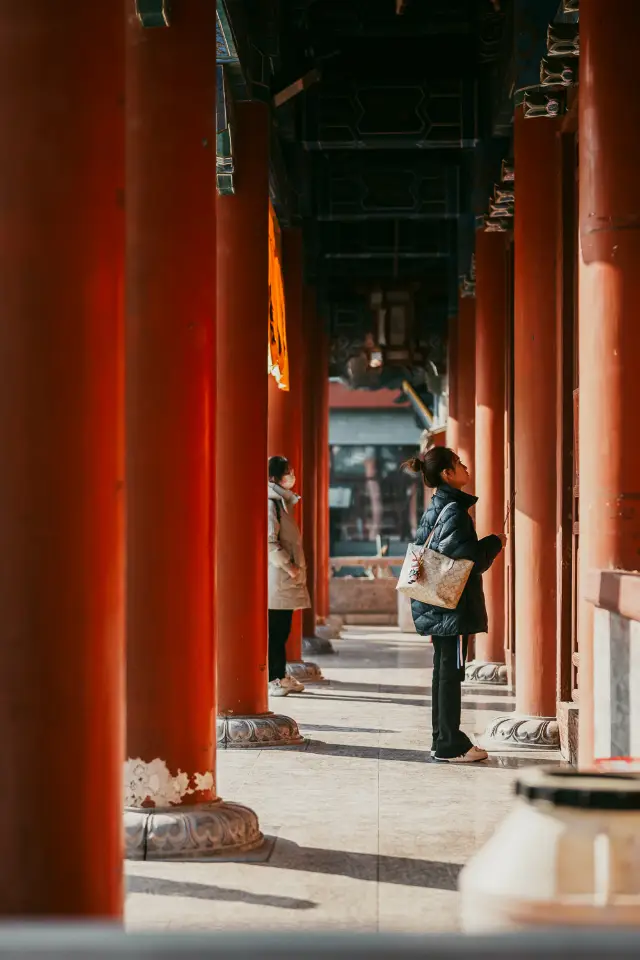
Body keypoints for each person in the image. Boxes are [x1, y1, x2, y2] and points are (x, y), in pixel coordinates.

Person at [405, 447, 506, 763]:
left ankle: (442, 739)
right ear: (448, 474)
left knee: (444, 670)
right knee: (451, 671)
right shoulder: (453, 510)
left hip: (438, 605)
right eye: (459, 463)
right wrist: (494, 543)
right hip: (452, 605)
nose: (465, 466)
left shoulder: (437, 505)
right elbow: (466, 560)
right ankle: (451, 744)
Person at [267, 455, 311, 697]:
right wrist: (289, 566)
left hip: (283, 576)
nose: (292, 477)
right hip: (277, 575)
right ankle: (274, 677)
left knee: (282, 629)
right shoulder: (271, 502)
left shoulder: (282, 502)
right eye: (288, 472)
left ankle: (280, 674)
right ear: (275, 477)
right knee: (276, 630)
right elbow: (270, 541)